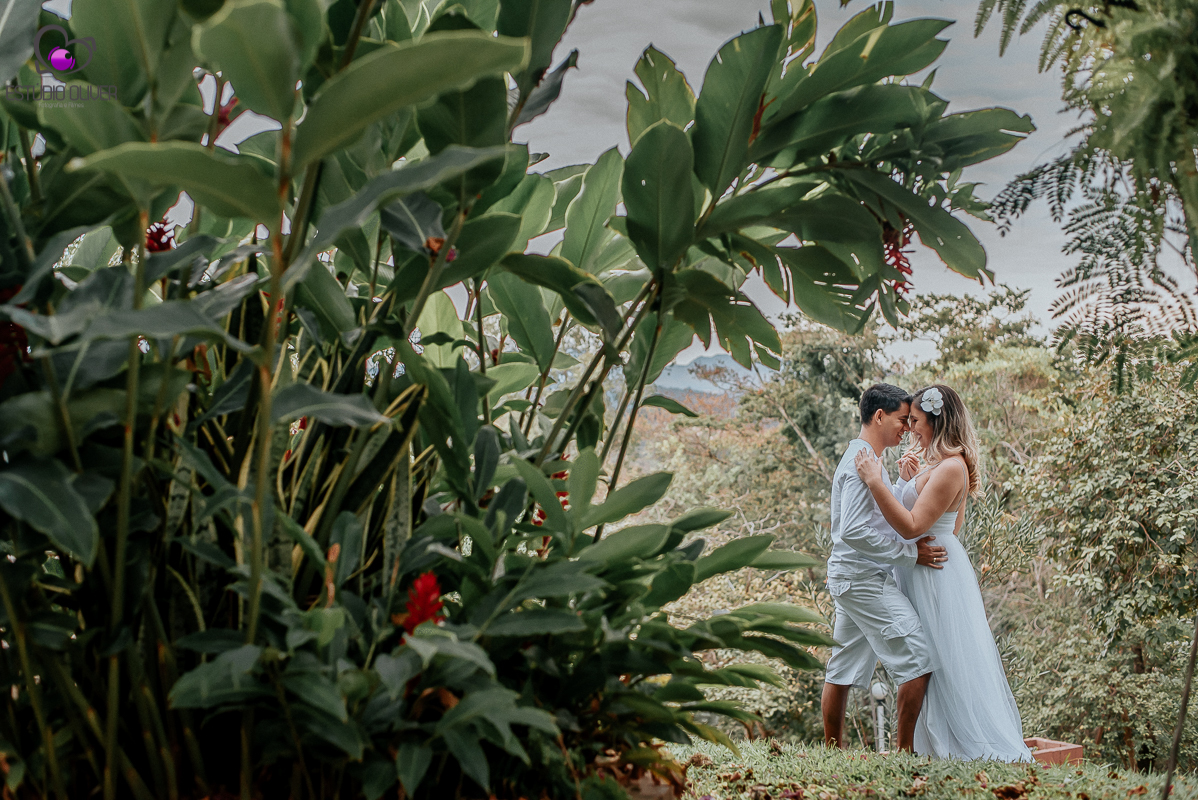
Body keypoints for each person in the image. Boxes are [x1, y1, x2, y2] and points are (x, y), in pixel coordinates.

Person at [854, 384, 1032, 762]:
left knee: (939, 654)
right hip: (917, 564)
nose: (911, 429)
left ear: (936, 420)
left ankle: (953, 744)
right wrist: (903, 479)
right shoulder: (932, 463)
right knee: (921, 652)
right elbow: (923, 518)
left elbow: (914, 525)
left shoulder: (952, 467)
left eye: (915, 421)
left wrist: (875, 480)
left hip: (935, 570)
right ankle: (926, 745)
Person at [823, 383, 948, 752]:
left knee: (842, 666)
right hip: (862, 579)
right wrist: (910, 555)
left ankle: (832, 751)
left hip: (852, 577)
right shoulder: (861, 463)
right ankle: (905, 753)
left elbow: (876, 514)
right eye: (901, 419)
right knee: (919, 658)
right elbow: (855, 530)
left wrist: (900, 482)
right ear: (879, 416)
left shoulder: (867, 459)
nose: (907, 429)